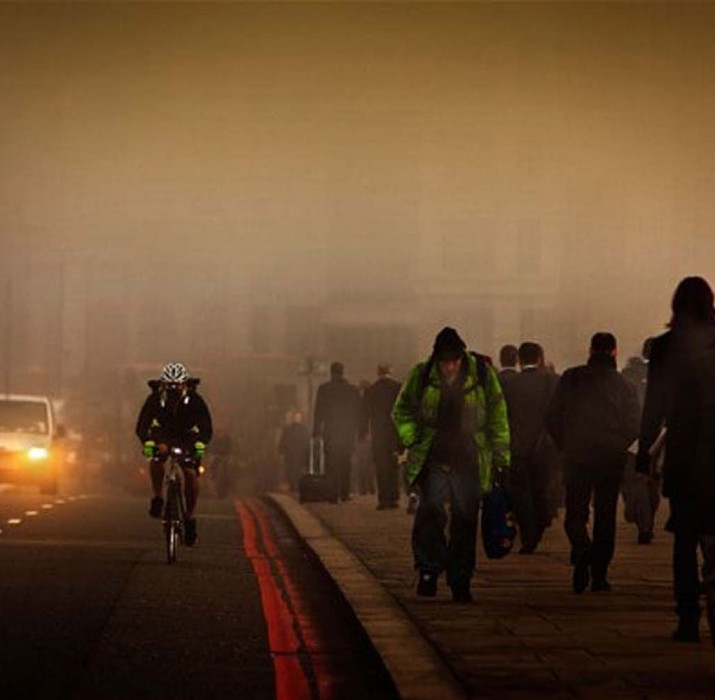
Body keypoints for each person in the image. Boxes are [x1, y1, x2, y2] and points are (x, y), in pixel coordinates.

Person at [392, 327, 510, 603]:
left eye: (454, 360)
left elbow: (498, 414)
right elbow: (401, 410)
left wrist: (502, 456)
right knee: (430, 511)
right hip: (433, 453)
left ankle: (460, 579)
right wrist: (412, 437)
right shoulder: (421, 374)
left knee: (466, 519)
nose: (449, 366)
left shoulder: (482, 374)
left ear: (461, 357)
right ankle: (429, 570)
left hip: (469, 456)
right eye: (445, 361)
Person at [635, 276, 715, 642]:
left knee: (684, 536)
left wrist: (644, 453)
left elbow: (655, 405)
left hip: (683, 451)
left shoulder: (666, 347)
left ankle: (687, 615)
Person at [546, 333, 640, 594]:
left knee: (575, 513)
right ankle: (599, 574)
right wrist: (619, 444)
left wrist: (563, 444)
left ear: (590, 350)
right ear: (614, 352)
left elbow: (552, 416)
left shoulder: (571, 378)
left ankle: (582, 549)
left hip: (577, 454)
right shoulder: (624, 385)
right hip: (610, 458)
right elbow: (634, 425)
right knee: (605, 516)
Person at [135, 362, 213, 546]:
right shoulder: (155, 399)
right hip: (163, 435)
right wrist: (147, 443)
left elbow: (206, 428)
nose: (173, 390)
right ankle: (158, 497)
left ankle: (189, 518)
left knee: (190, 474)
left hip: (187, 437)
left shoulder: (195, 400)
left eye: (177, 386)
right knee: (156, 459)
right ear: (163, 385)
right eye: (169, 386)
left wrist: (200, 446)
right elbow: (142, 426)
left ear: (184, 384)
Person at [506, 341, 560, 554]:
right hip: (545, 446)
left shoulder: (509, 384)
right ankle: (540, 523)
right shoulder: (553, 381)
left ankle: (528, 534)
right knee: (541, 488)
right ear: (539, 358)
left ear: (519, 359)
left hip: (517, 446)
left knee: (521, 493)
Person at [621, 337, 661, 544]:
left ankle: (643, 522)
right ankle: (647, 520)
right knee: (653, 482)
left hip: (635, 435)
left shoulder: (629, 375)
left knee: (637, 480)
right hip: (661, 436)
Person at [313, 361, 361, 503]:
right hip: (347, 432)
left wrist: (316, 431)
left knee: (331, 464)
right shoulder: (353, 390)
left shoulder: (324, 389)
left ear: (331, 372)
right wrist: (359, 431)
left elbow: (318, 412)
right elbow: (358, 412)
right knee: (345, 463)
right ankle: (345, 493)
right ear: (342, 372)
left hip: (331, 431)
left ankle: (332, 494)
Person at [360, 364, 402, 510]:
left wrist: (363, 432)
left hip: (378, 432)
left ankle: (383, 499)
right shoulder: (398, 388)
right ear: (390, 372)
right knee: (393, 465)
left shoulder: (371, 390)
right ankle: (393, 497)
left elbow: (364, 413)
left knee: (381, 466)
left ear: (378, 373)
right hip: (394, 432)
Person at [278, 410, 310, 493]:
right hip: (290, 453)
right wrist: (281, 450)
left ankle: (297, 486)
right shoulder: (288, 429)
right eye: (296, 417)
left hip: (300, 453)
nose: (297, 419)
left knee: (298, 471)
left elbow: (307, 442)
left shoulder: (304, 430)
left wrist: (307, 453)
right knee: (291, 470)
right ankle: (293, 485)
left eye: (299, 417)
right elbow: (283, 440)